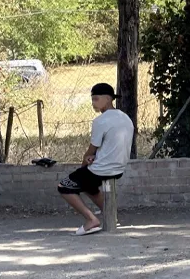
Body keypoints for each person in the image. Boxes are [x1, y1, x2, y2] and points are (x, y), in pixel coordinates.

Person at [57, 83, 134, 236]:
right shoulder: (125, 117)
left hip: (102, 169)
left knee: (64, 186)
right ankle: (111, 216)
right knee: (89, 186)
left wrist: (84, 162)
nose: (93, 103)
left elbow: (91, 150)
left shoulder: (100, 121)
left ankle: (91, 220)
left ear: (107, 99)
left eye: (96, 99)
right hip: (119, 167)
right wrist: (95, 157)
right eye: (92, 99)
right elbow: (111, 146)